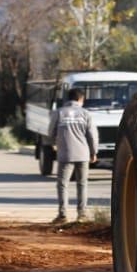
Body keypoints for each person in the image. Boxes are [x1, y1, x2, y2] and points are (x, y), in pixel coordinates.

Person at [46, 88, 99, 223]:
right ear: (81, 99)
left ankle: (62, 215)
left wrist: (54, 144)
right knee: (82, 184)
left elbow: (51, 132)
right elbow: (92, 135)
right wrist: (94, 152)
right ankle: (82, 214)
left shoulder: (59, 112)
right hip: (83, 154)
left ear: (67, 99)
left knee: (63, 184)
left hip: (65, 155)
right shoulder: (85, 113)